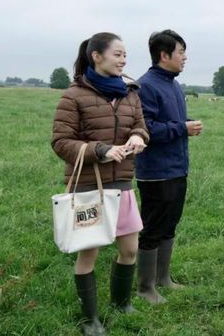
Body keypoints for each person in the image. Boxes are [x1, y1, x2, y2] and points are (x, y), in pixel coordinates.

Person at [51, 32, 149, 336]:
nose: (123, 60)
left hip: (122, 183)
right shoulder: (74, 95)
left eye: (124, 54)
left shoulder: (131, 92)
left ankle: (121, 303)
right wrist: (101, 151)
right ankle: (90, 319)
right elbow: (60, 141)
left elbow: (140, 125)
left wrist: (138, 137)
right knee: (89, 252)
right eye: (117, 54)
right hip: (88, 186)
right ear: (97, 56)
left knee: (130, 249)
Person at [134, 30, 203, 304]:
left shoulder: (174, 85)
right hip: (155, 172)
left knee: (170, 224)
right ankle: (145, 288)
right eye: (181, 52)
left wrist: (182, 130)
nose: (185, 58)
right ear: (164, 55)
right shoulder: (146, 86)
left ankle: (163, 278)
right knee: (153, 227)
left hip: (177, 168)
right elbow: (145, 129)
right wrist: (182, 128)